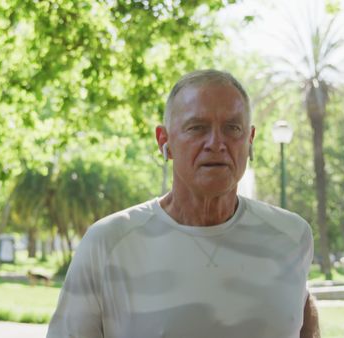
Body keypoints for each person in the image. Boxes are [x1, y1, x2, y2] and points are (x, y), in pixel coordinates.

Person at [47, 70, 319, 338]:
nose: (216, 143)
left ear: (250, 139)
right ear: (164, 140)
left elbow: (302, 316)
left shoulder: (292, 236)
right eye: (197, 128)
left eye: (232, 128)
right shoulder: (108, 243)